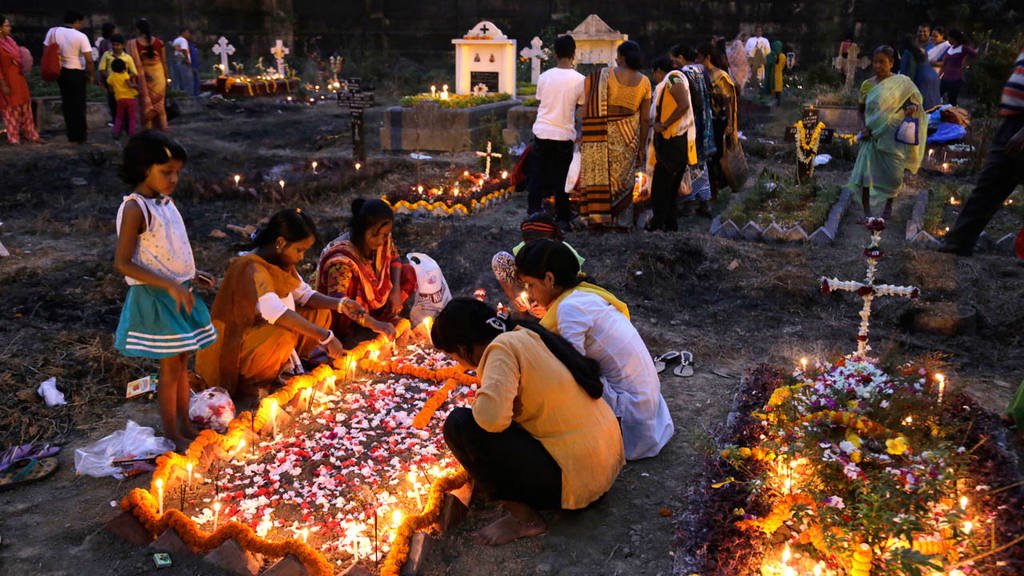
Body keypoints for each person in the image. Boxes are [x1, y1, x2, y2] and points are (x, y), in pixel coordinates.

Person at [432, 298, 624, 545]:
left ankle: (525, 520)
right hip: (604, 464)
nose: (458, 364)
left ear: (463, 347)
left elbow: (490, 420)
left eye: (453, 356)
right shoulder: (526, 331)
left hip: (580, 483)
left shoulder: (501, 350)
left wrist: (485, 401)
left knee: (460, 425)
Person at [515, 239, 674, 460]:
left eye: (531, 285)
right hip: (646, 403)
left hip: (633, 418)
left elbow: (573, 371)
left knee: (552, 389)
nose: (530, 294)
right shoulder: (582, 295)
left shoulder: (570, 308)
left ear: (549, 279)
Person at [113, 131, 217, 450]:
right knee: (170, 367)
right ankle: (172, 433)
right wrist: (170, 284)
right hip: (158, 296)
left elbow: (166, 250)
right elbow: (123, 263)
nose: (173, 179)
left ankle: (185, 423)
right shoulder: (136, 208)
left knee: (182, 362)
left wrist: (191, 274)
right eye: (166, 172)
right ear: (144, 168)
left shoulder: (166, 203)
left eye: (177, 173)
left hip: (179, 291)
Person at [196, 209, 366, 403]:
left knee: (320, 312)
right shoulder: (251, 268)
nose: (302, 257)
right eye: (299, 250)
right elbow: (275, 313)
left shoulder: (280, 263)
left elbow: (305, 295)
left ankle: (288, 365)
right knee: (283, 335)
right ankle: (254, 387)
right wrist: (325, 337)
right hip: (234, 348)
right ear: (280, 243)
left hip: (262, 338)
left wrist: (341, 304)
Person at [939, 43, 1024, 256]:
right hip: (1012, 124)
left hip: (1020, 128)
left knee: (991, 184)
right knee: (989, 186)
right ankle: (958, 243)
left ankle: (959, 242)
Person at [315, 199, 415, 345]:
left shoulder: (383, 239)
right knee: (353, 288)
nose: (381, 241)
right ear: (361, 231)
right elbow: (341, 303)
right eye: (375, 235)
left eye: (386, 235)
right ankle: (353, 335)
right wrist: (376, 324)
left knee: (408, 272)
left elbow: (395, 259)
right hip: (346, 314)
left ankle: (381, 320)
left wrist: (395, 290)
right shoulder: (342, 259)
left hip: (374, 304)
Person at [849, 46, 927, 219]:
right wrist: (863, 127)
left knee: (894, 175)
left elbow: (913, 104)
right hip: (872, 136)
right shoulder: (867, 85)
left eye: (882, 62)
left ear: (891, 63)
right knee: (866, 175)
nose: (878, 66)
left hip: (893, 136)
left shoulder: (902, 84)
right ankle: (867, 212)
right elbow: (860, 110)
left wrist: (912, 108)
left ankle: (888, 206)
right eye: (875, 62)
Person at [579, 40, 651, 227]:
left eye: (618, 55)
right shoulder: (644, 82)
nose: (615, 58)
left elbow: (587, 106)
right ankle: (622, 222)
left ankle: (598, 219)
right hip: (628, 137)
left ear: (622, 57)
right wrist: (642, 146)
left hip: (601, 134)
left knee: (601, 176)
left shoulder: (603, 75)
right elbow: (645, 119)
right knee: (623, 181)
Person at [528, 35, 584, 225]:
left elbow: (541, 101)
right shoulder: (580, 80)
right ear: (573, 54)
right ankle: (562, 219)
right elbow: (580, 108)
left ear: (555, 54)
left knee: (537, 175)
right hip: (563, 134)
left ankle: (533, 212)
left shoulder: (544, 77)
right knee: (562, 179)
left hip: (542, 131)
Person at [492, 213, 586, 318]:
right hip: (535, 292)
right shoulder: (526, 249)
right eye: (528, 243)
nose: (534, 247)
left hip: (558, 298)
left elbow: (572, 287)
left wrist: (550, 307)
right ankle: (525, 318)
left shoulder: (564, 253)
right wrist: (518, 295)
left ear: (553, 238)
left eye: (539, 243)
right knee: (500, 259)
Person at [644, 56, 693, 231]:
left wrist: (664, 124)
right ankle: (669, 224)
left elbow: (684, 104)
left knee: (661, 188)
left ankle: (659, 224)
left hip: (672, 142)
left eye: (653, 74)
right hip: (670, 142)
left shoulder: (673, 78)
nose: (654, 78)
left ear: (658, 70)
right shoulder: (668, 82)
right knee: (669, 189)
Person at [670, 44, 716, 215]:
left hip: (692, 122)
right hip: (705, 121)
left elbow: (690, 100)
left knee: (689, 164)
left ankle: (688, 203)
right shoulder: (701, 69)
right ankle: (704, 203)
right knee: (701, 164)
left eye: (674, 59)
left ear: (681, 57)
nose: (673, 63)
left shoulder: (684, 73)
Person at [698, 42, 741, 202]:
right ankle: (711, 190)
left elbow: (727, 101)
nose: (697, 59)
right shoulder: (703, 74)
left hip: (719, 121)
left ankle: (719, 190)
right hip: (707, 120)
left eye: (699, 57)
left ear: (707, 57)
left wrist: (729, 124)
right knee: (710, 156)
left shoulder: (720, 76)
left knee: (718, 156)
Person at [43, 11, 94, 143]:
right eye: (80, 22)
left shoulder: (52, 31)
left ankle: (71, 135)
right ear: (76, 21)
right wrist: (91, 75)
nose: (81, 25)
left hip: (61, 72)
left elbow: (46, 51)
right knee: (79, 105)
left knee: (67, 104)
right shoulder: (80, 36)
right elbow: (89, 59)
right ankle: (81, 136)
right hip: (76, 72)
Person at [0, 15, 41, 144]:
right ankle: (14, 138)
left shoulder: (10, 42)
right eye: (6, 25)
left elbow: (20, 58)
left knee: (26, 107)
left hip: (19, 78)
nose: (9, 28)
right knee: (11, 109)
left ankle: (32, 135)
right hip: (7, 81)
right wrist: (3, 85)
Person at [126, 18, 169, 131]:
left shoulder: (132, 44)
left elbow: (131, 65)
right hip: (159, 77)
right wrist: (166, 77)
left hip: (144, 78)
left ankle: (148, 128)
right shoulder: (159, 42)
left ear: (138, 29)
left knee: (146, 104)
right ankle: (163, 126)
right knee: (159, 103)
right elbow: (164, 62)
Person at [899, 35, 941, 110]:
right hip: (933, 76)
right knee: (933, 107)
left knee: (921, 110)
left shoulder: (908, 53)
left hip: (922, 80)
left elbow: (906, 75)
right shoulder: (922, 50)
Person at [939, 30, 978, 107]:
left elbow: (975, 54)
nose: (948, 39)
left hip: (955, 78)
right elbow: (945, 63)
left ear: (953, 38)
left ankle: (953, 116)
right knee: (938, 95)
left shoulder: (963, 48)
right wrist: (940, 74)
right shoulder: (950, 48)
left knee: (952, 100)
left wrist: (967, 64)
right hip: (945, 77)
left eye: (949, 37)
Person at [107, 58, 138, 137]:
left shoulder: (111, 77)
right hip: (130, 98)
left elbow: (110, 89)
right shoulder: (125, 75)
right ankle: (132, 133)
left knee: (119, 117)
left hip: (119, 99)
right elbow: (130, 85)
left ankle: (116, 132)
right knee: (132, 117)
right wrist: (137, 86)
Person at [95, 22, 117, 122]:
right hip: (111, 74)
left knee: (112, 98)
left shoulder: (103, 43)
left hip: (108, 74)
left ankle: (116, 119)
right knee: (114, 98)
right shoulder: (110, 43)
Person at [170, 27, 195, 97]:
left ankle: (179, 96)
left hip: (177, 61)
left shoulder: (176, 40)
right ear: (183, 32)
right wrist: (187, 59)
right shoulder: (183, 40)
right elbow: (184, 50)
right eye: (187, 32)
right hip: (183, 61)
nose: (189, 34)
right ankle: (189, 97)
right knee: (188, 81)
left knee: (178, 80)